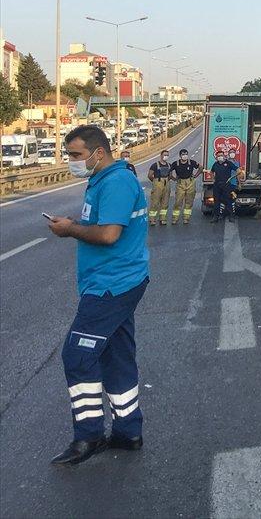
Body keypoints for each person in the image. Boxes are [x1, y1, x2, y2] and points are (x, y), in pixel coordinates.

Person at [46, 125, 149, 465]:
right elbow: (103, 224)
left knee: (77, 355)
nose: (71, 161)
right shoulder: (103, 181)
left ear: (98, 152)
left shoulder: (117, 182)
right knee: (116, 357)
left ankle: (88, 436)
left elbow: (107, 235)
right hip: (116, 280)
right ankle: (128, 431)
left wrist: (68, 230)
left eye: (76, 155)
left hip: (111, 286)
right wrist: (76, 222)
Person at [170, 148, 200, 225]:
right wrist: (174, 179)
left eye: (186, 154)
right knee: (178, 202)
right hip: (180, 183)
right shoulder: (175, 163)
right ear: (180, 156)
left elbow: (201, 167)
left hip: (190, 182)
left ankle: (186, 218)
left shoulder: (192, 162)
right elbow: (169, 172)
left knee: (189, 201)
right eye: (183, 154)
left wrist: (196, 175)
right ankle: (175, 219)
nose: (185, 156)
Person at [210, 149, 239, 222]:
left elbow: (237, 169)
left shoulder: (228, 163)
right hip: (217, 185)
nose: (220, 157)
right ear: (216, 157)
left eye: (221, 155)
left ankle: (231, 216)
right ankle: (215, 217)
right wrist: (213, 179)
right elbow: (211, 172)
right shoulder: (215, 164)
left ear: (224, 156)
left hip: (226, 184)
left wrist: (238, 172)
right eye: (218, 156)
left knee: (228, 200)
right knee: (216, 201)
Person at [147, 149, 172, 227]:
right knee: (155, 202)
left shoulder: (169, 165)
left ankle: (162, 219)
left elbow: (170, 175)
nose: (166, 156)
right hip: (158, 183)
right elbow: (150, 175)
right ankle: (152, 219)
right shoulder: (155, 165)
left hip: (167, 183)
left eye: (167, 155)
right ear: (161, 155)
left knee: (165, 202)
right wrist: (155, 182)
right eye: (164, 155)